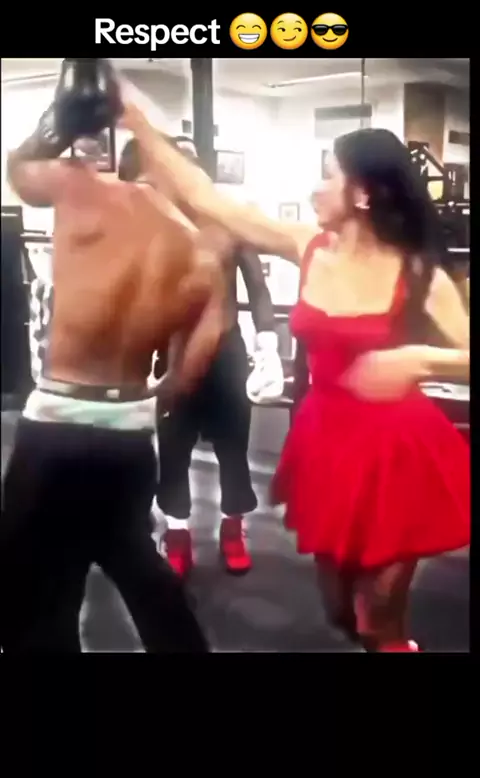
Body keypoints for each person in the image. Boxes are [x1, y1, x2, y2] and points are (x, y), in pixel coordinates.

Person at [120, 107, 470, 652]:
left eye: (328, 175)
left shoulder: (418, 272)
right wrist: (136, 122)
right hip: (326, 443)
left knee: (379, 621)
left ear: (363, 195)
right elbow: (207, 197)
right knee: (340, 612)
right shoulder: (308, 246)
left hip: (396, 454)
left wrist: (417, 359)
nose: (315, 189)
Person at [0, 60, 225, 653]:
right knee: (130, 555)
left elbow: (18, 169)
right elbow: (192, 364)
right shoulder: (205, 255)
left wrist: (65, 116)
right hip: (129, 431)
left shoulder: (82, 188)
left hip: (57, 427)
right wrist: (149, 401)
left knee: (34, 587)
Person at [118, 133, 284, 578]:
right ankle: (177, 535)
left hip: (226, 352)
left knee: (233, 447)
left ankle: (233, 530)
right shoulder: (151, 226)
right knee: (173, 448)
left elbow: (257, 286)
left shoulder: (227, 221)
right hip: (169, 349)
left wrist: (269, 344)